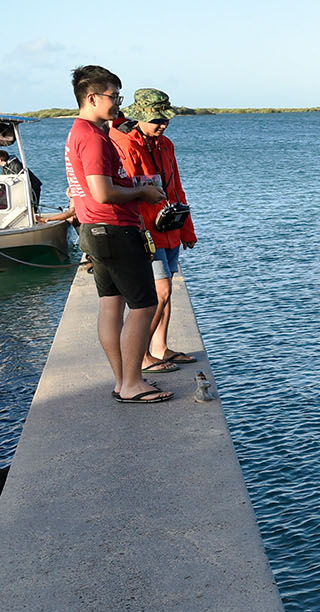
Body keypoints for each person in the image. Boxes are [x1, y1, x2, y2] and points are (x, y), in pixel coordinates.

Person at [64, 65, 170, 403]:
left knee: (111, 305)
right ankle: (132, 383)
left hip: (94, 231)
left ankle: (122, 381)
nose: (118, 102)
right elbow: (102, 191)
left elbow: (96, 187)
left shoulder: (76, 133)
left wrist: (132, 184)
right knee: (143, 305)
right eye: (114, 96)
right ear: (92, 97)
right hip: (114, 229)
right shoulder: (94, 138)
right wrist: (143, 193)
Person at [110, 88, 198, 372]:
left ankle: (160, 346)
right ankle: (143, 355)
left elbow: (177, 187)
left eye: (166, 119)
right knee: (159, 292)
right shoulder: (124, 144)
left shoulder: (166, 145)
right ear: (140, 116)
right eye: (157, 119)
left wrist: (187, 230)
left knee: (167, 291)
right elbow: (123, 189)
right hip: (145, 231)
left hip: (169, 228)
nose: (162, 124)